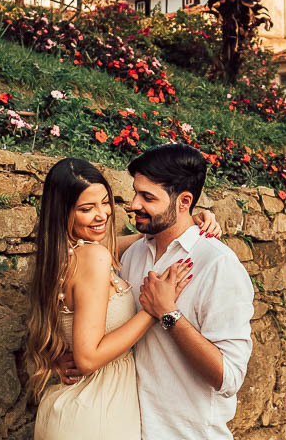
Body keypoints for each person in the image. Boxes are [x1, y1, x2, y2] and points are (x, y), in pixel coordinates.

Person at [57, 144, 255, 439]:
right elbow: (70, 277)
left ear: (183, 201)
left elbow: (228, 377)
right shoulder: (133, 254)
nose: (134, 204)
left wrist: (169, 315)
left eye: (148, 197)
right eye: (136, 192)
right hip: (129, 427)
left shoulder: (217, 264)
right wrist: (56, 357)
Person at [29, 157, 222, 440]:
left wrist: (185, 223)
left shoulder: (62, 256)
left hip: (69, 408)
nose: (102, 215)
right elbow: (87, 358)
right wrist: (154, 309)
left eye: (105, 202)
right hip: (97, 414)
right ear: (63, 213)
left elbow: (118, 246)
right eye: (86, 208)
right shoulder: (93, 258)